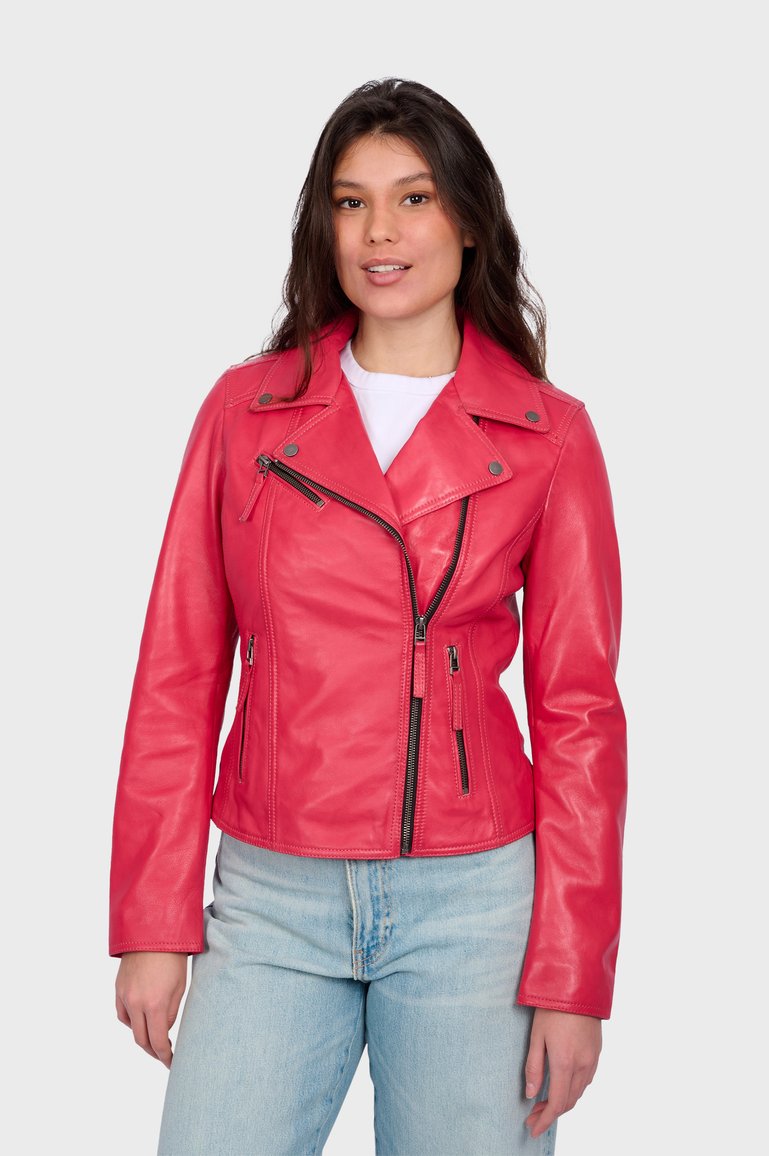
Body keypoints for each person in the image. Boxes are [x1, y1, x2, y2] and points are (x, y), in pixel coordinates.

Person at [109, 77, 627, 1155]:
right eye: (351, 203)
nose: (379, 232)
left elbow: (578, 712)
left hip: (475, 902)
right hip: (271, 892)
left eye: (413, 198)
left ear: (469, 221)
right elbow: (178, 672)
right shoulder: (244, 414)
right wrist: (154, 919)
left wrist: (572, 973)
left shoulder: (548, 435)